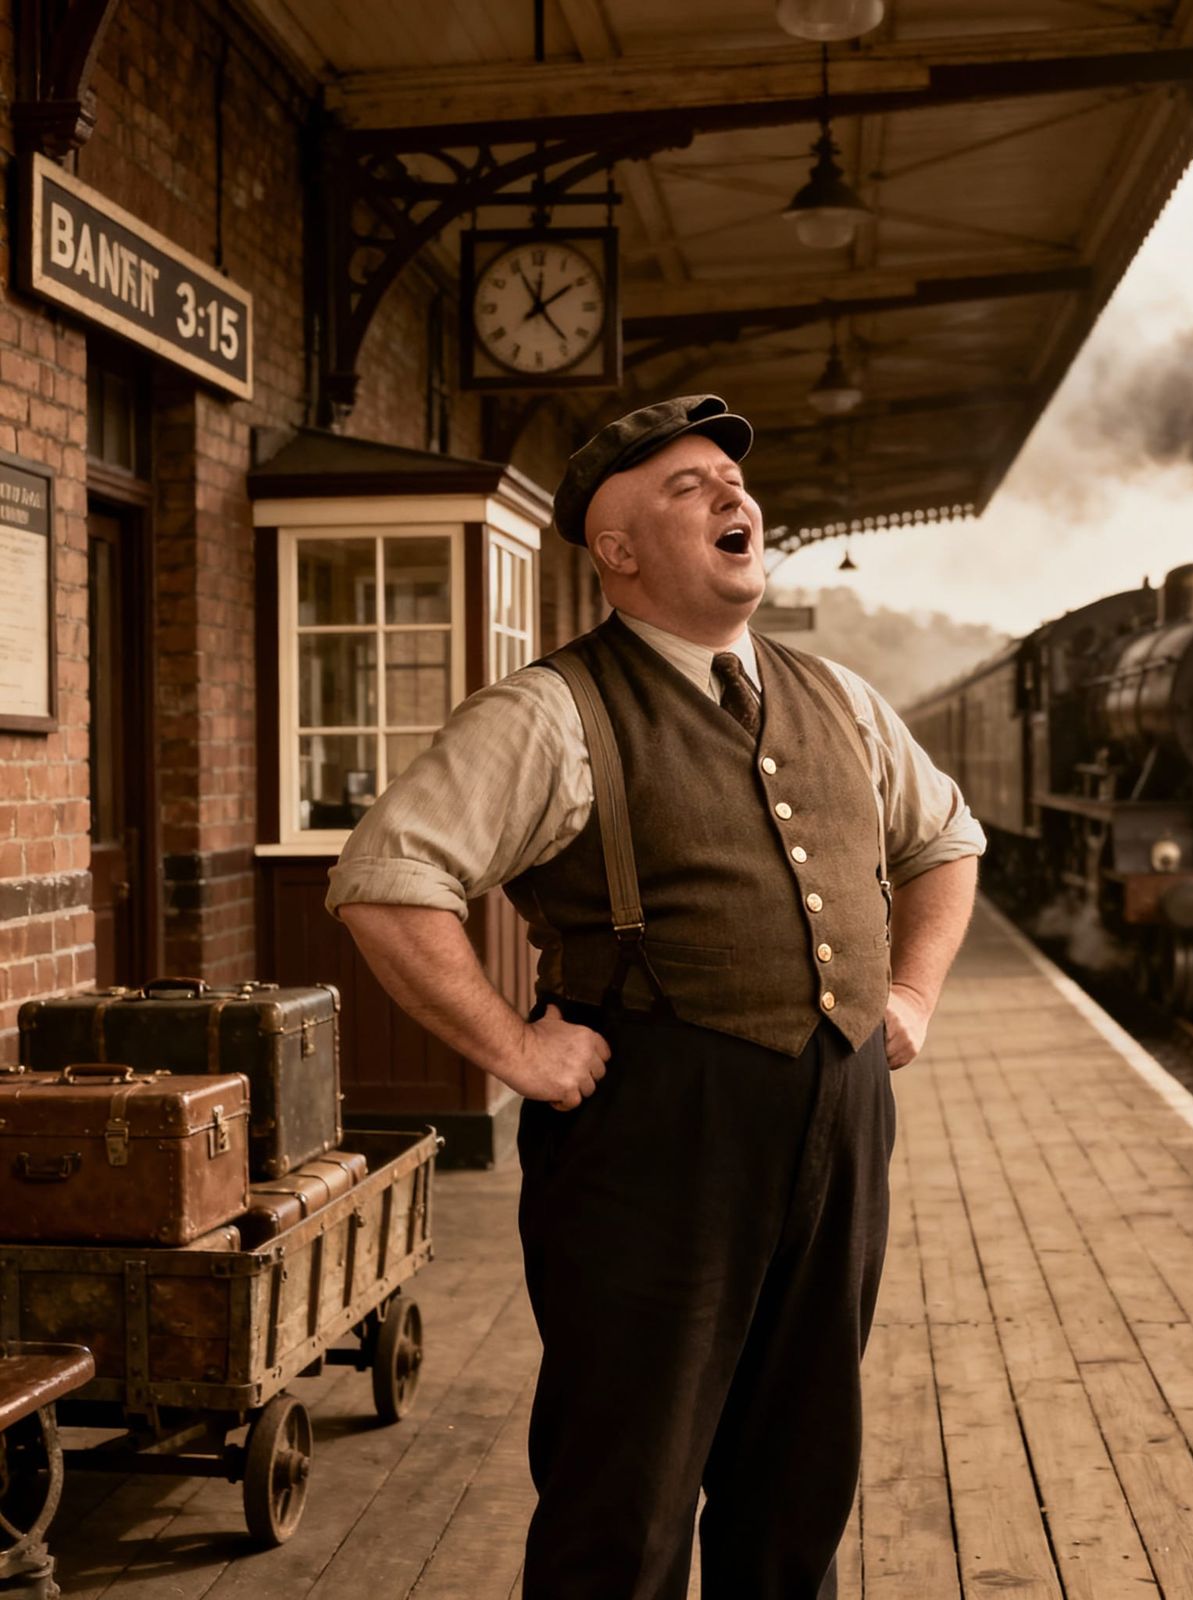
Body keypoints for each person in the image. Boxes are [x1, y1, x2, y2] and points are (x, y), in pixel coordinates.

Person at [327, 394, 984, 1600]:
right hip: (652, 1132)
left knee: (799, 1481)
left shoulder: (839, 696)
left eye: (733, 482)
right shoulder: (550, 711)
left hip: (839, 1124)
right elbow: (386, 879)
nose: (733, 497)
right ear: (616, 550)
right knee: (624, 1495)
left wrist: (914, 992)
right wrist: (514, 1051)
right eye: (688, 489)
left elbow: (946, 840)